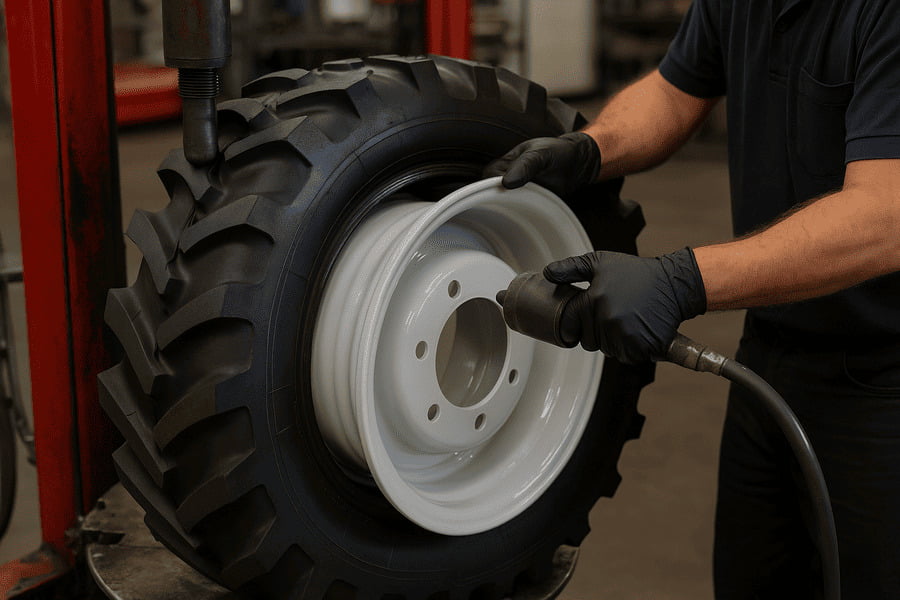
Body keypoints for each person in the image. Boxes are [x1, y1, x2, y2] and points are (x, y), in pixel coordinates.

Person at [488, 1, 900, 598]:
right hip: (772, 357)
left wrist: (685, 279)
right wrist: (592, 148)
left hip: (882, 381)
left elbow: (885, 217)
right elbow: (674, 93)